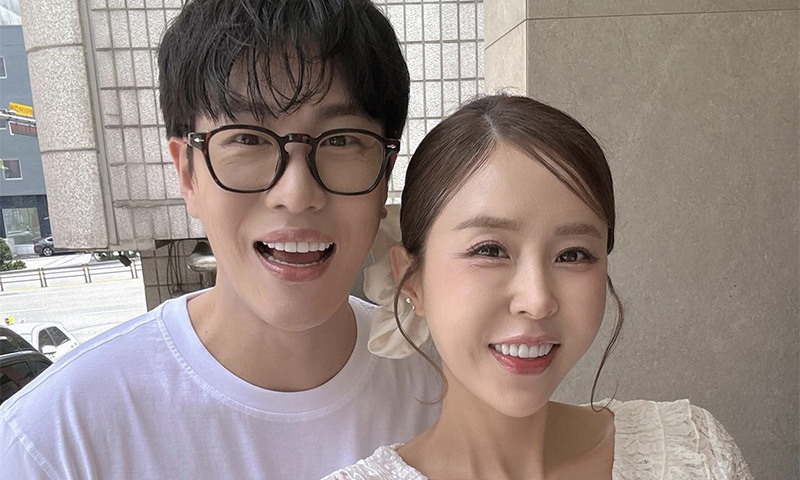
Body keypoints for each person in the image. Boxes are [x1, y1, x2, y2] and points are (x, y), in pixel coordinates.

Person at [0, 1, 440, 478]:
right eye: (248, 138)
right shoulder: (55, 442)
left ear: (385, 175)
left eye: (340, 140)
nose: (296, 195)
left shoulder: (452, 385)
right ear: (187, 173)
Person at [324, 95, 753, 479]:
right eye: (490, 250)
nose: (538, 300)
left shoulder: (692, 454)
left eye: (573, 254)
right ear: (411, 280)